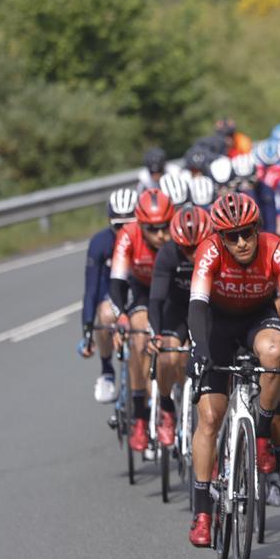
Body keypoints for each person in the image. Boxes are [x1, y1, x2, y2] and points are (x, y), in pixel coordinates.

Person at [187, 193, 280, 546]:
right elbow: (198, 307)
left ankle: (261, 437)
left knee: (274, 353)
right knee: (210, 417)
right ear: (220, 236)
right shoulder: (209, 251)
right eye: (232, 236)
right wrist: (200, 352)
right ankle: (202, 510)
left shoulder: (277, 249)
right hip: (217, 325)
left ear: (258, 228)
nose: (242, 242)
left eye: (247, 232)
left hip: (257, 318)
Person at [109, 188, 175, 452]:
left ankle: (172, 404)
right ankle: (139, 414)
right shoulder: (128, 235)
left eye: (165, 226)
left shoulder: (178, 236)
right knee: (138, 339)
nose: (161, 234)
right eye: (152, 228)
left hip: (173, 294)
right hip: (142, 292)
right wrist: (121, 316)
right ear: (140, 224)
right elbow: (116, 283)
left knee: (176, 350)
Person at [145, 205, 212, 448]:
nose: (193, 254)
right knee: (166, 356)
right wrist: (156, 334)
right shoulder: (168, 254)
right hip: (176, 310)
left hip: (206, 310)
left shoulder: (217, 251)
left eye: (198, 247)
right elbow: (156, 300)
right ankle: (166, 408)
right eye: (187, 248)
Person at [79, 189, 137, 403]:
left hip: (138, 296)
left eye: (129, 224)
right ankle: (107, 371)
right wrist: (86, 330)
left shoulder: (146, 239)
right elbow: (91, 289)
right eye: (118, 226)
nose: (123, 230)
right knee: (104, 314)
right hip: (111, 297)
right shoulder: (100, 243)